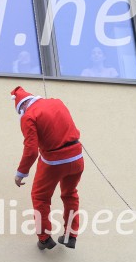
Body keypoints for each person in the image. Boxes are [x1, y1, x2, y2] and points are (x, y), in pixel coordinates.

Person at [11, 86, 83, 251]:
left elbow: (31, 150)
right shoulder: (56, 102)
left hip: (54, 162)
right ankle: (71, 235)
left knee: (40, 198)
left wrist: (20, 173)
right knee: (70, 194)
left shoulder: (28, 116)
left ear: (21, 107)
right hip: (77, 157)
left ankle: (44, 238)